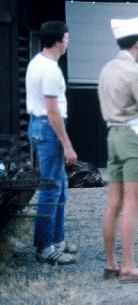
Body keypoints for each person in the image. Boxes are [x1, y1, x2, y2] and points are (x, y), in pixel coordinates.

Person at [98, 17, 138, 281]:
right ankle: (129, 267)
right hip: (134, 136)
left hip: (113, 134)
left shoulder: (107, 68)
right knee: (133, 204)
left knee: (114, 203)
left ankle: (111, 263)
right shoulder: (134, 72)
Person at [26, 21, 78, 265]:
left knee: (60, 186)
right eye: (66, 38)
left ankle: (57, 240)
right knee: (50, 189)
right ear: (58, 41)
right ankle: (44, 247)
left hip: (38, 125)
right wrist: (67, 145)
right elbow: (53, 112)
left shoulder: (37, 62)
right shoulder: (51, 70)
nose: (68, 42)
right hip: (48, 128)